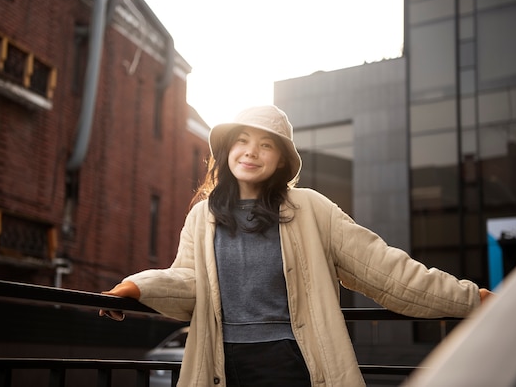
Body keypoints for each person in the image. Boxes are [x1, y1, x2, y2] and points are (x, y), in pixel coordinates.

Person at [100, 104, 493, 387]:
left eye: (266, 145)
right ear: (226, 150)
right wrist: (137, 288)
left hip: (288, 364)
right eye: (241, 140)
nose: (251, 151)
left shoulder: (311, 209)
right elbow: (189, 283)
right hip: (218, 363)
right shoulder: (202, 217)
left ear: (282, 160)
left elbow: (385, 270)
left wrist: (469, 299)